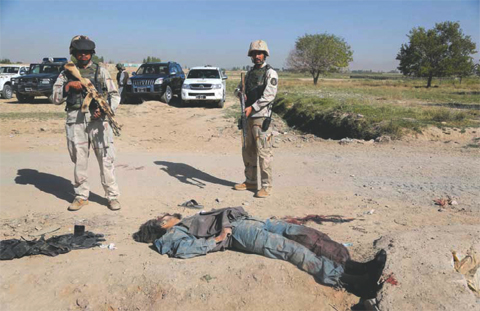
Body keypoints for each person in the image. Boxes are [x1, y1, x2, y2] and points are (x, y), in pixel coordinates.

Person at [133, 207, 387, 299]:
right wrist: (219, 239)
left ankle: (356, 267)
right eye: (161, 218)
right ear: (160, 227)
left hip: (252, 221)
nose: (165, 215)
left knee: (306, 235)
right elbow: (185, 250)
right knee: (293, 251)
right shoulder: (172, 236)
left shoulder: (188, 218)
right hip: (242, 234)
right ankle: (352, 284)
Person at [52, 35, 121, 211]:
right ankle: (81, 196)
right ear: (74, 53)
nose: (83, 55)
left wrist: (105, 110)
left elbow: (114, 95)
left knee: (106, 159)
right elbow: (55, 98)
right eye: (80, 52)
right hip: (76, 120)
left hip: (99, 121)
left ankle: (112, 196)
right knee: (79, 160)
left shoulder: (100, 71)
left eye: (87, 52)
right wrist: (68, 86)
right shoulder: (66, 72)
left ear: (91, 53)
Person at [234, 40, 278, 198]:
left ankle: (266, 186)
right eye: (254, 53)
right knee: (248, 151)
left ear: (265, 55)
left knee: (264, 153)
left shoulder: (270, 73)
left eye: (260, 53)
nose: (257, 56)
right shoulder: (250, 73)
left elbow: (269, 96)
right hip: (248, 118)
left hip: (261, 117)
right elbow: (238, 89)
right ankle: (251, 181)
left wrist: (252, 107)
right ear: (251, 56)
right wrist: (240, 93)